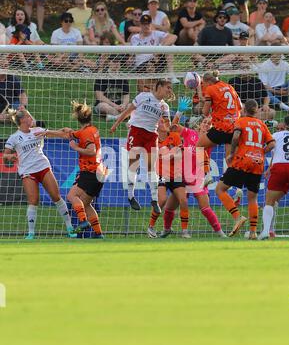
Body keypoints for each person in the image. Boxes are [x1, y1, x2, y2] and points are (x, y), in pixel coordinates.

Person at [3, 108, 76, 239]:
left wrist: (65, 131)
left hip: (43, 167)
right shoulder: (14, 137)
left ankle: (70, 228)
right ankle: (31, 233)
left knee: (56, 197)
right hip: (27, 171)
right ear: (23, 120)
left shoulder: (37, 131)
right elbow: (5, 155)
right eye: (29, 117)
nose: (32, 119)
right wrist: (10, 157)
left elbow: (58, 133)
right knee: (33, 200)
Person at [35, 101, 105, 238]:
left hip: (90, 171)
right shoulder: (91, 130)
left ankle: (84, 222)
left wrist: (75, 148)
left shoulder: (86, 134)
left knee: (71, 196)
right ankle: (98, 234)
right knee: (86, 204)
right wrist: (47, 132)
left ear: (78, 118)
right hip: (99, 173)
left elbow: (91, 151)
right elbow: (66, 134)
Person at [163, 99, 226, 238]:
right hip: (182, 177)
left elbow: (223, 133)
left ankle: (220, 233)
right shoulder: (189, 133)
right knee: (169, 207)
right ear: (200, 123)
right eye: (205, 122)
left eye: (209, 124)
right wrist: (179, 112)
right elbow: (172, 127)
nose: (206, 125)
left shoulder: (210, 140)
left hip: (198, 178)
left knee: (205, 208)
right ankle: (167, 230)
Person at [110, 79, 172, 215]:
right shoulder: (143, 97)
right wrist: (115, 124)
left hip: (152, 135)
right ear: (159, 87)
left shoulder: (165, 107)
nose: (169, 90)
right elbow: (128, 111)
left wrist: (171, 124)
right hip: (136, 131)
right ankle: (131, 196)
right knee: (134, 165)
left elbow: (167, 126)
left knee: (151, 167)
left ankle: (154, 200)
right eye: (168, 87)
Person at [216, 99, 275, 238]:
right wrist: (261, 152)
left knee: (220, 189)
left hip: (242, 160)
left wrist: (231, 153)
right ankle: (253, 232)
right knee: (252, 198)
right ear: (256, 110)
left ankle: (237, 216)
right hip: (258, 162)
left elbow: (236, 136)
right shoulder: (262, 124)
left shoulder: (241, 121)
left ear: (244, 110)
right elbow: (272, 144)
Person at [147, 118, 190, 239]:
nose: (166, 123)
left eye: (167, 121)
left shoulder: (175, 136)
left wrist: (169, 155)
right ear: (157, 125)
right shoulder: (153, 139)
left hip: (176, 175)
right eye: (162, 122)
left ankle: (185, 231)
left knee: (184, 200)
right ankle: (150, 227)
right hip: (162, 175)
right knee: (161, 200)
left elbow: (179, 154)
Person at [259, 115, 289, 239]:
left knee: (270, 201)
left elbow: (276, 152)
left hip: (279, 168)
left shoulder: (275, 136)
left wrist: (269, 169)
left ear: (284, 124)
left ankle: (266, 231)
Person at [196, 71, 242, 159]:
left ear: (208, 82)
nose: (203, 86)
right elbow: (239, 106)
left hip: (221, 128)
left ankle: (202, 170)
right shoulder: (229, 87)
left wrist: (205, 106)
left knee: (198, 147)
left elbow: (205, 112)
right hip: (235, 128)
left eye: (203, 84)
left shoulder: (210, 89)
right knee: (230, 161)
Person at [130, 14, 178, 82]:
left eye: (148, 23)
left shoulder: (156, 34)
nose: (146, 26)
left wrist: (159, 49)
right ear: (140, 25)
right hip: (141, 65)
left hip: (156, 61)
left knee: (169, 46)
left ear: (151, 24)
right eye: (144, 24)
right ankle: (158, 80)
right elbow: (131, 55)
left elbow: (174, 37)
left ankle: (171, 75)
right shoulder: (134, 38)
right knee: (150, 64)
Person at [93, 55, 130, 119]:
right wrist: (115, 106)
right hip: (105, 104)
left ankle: (114, 117)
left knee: (132, 106)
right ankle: (124, 116)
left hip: (119, 106)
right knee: (104, 107)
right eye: (114, 62)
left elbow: (126, 96)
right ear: (109, 62)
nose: (117, 64)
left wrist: (123, 105)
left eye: (118, 62)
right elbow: (99, 96)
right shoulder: (102, 75)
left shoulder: (123, 77)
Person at [0, 56, 28, 122]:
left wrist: (23, 106)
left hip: (12, 104)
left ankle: (7, 117)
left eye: (6, 65)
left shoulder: (13, 78)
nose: (5, 68)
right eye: (1, 66)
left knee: (19, 112)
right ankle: (11, 118)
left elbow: (22, 95)